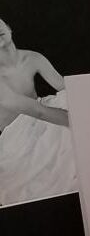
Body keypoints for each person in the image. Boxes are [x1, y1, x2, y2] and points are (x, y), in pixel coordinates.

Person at [0, 17, 77, 206]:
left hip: (41, 113)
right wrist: (77, 120)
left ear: (8, 27)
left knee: (71, 96)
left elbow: (63, 85)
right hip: (16, 132)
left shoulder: (32, 58)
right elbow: (35, 110)